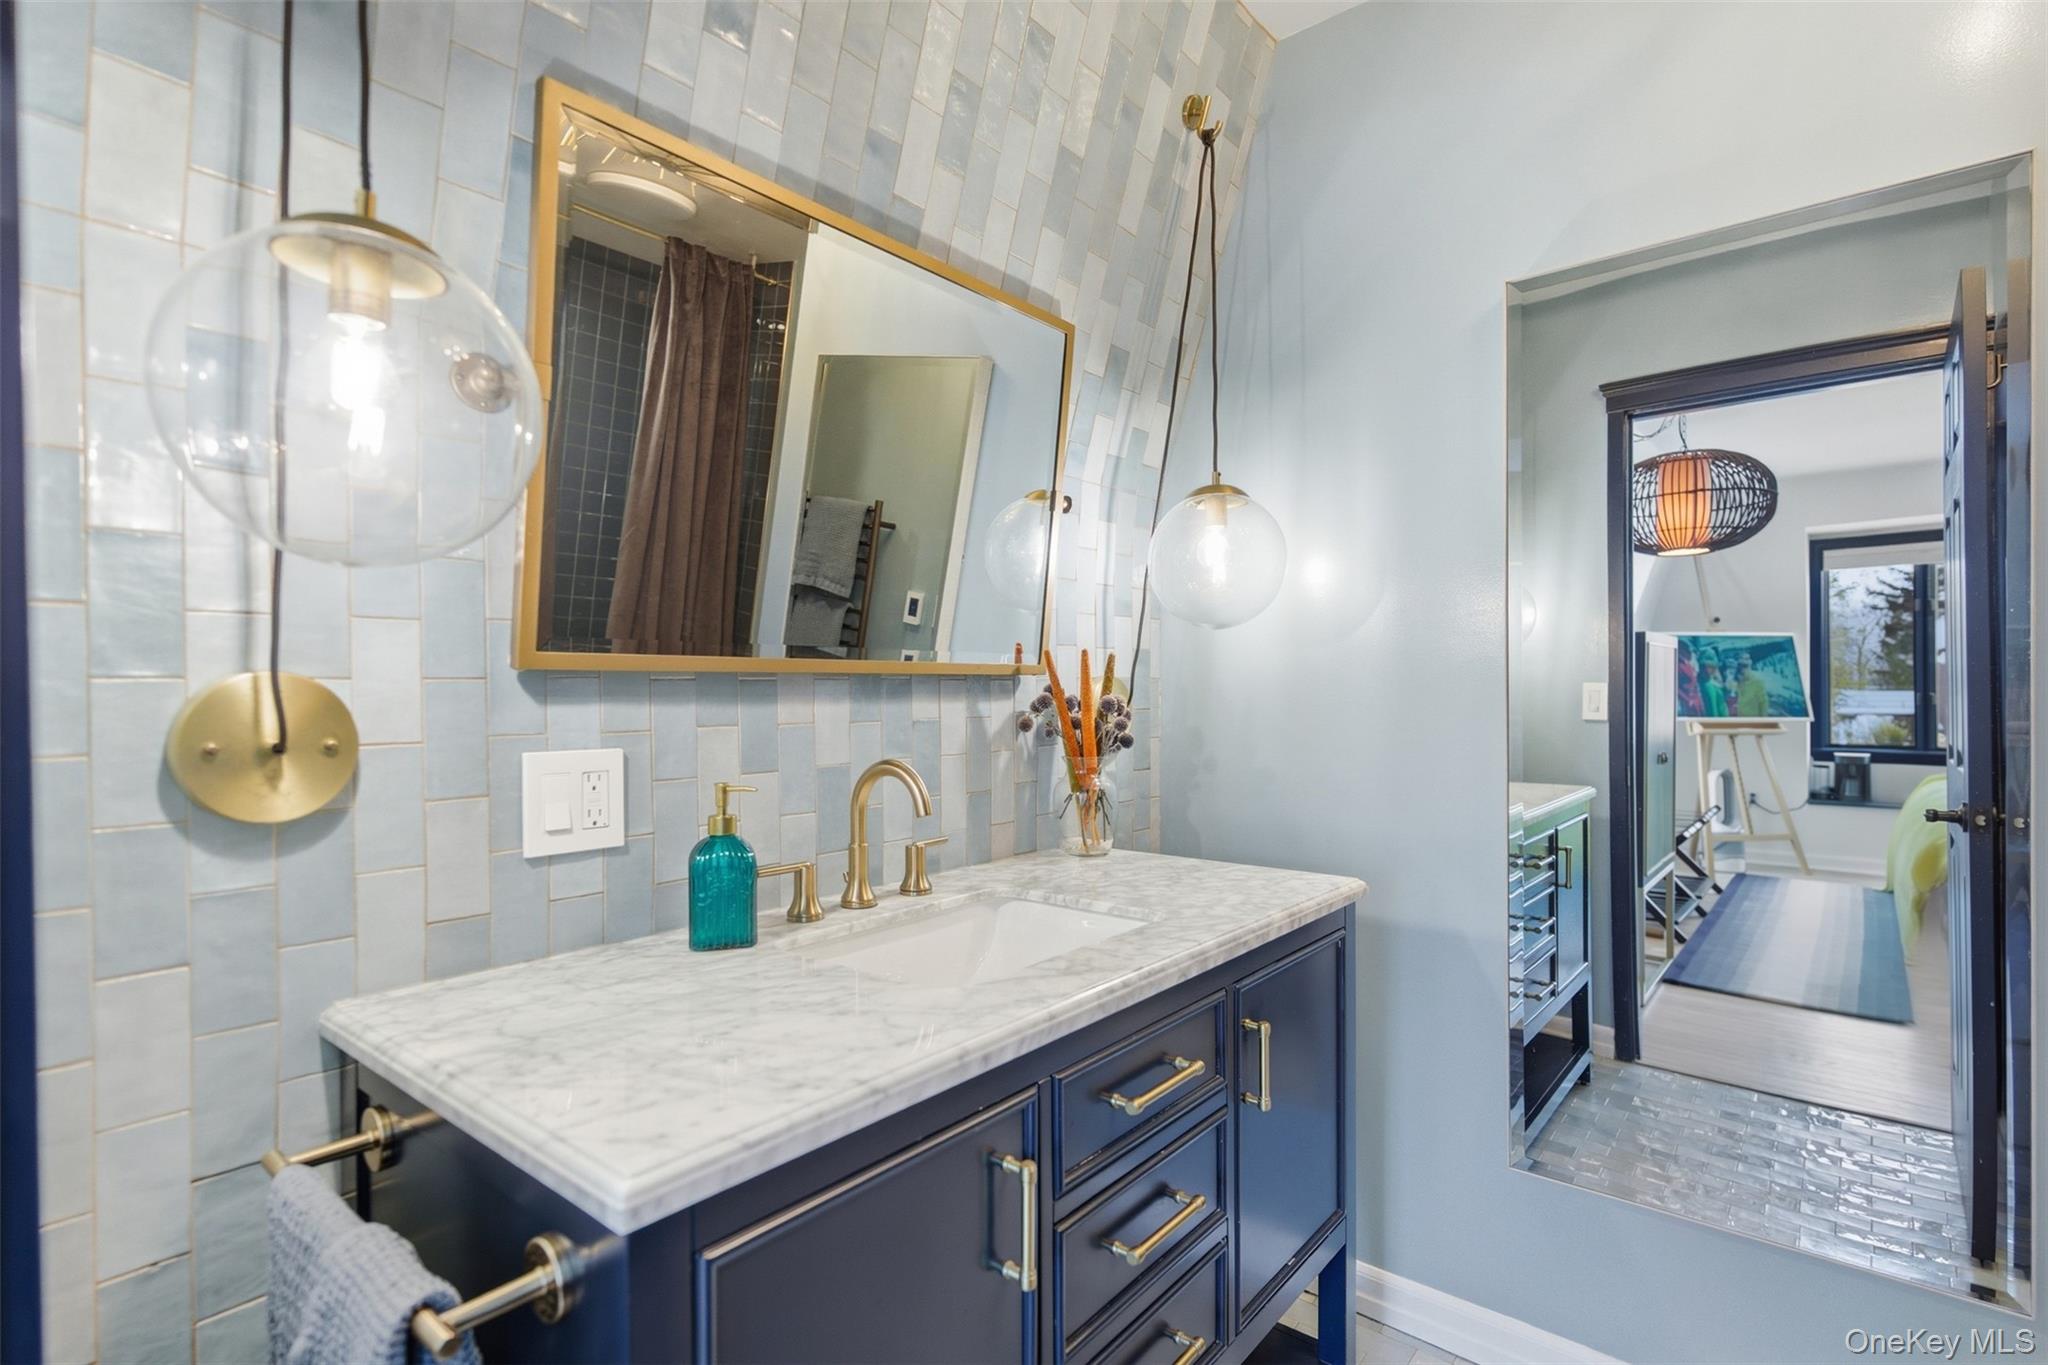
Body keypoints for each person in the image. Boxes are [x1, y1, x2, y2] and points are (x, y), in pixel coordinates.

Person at [1734, 652, 1770, 717]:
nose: (1742, 669)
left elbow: (1763, 703)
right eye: (1740, 666)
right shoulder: (1739, 681)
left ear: (1749, 666)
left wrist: (1763, 721)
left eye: (1745, 666)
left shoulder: (1758, 682)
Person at [1699, 651, 1727, 718]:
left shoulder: (1715, 685)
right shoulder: (1706, 686)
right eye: (1704, 667)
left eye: (1710, 667)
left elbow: (1722, 710)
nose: (1706, 670)